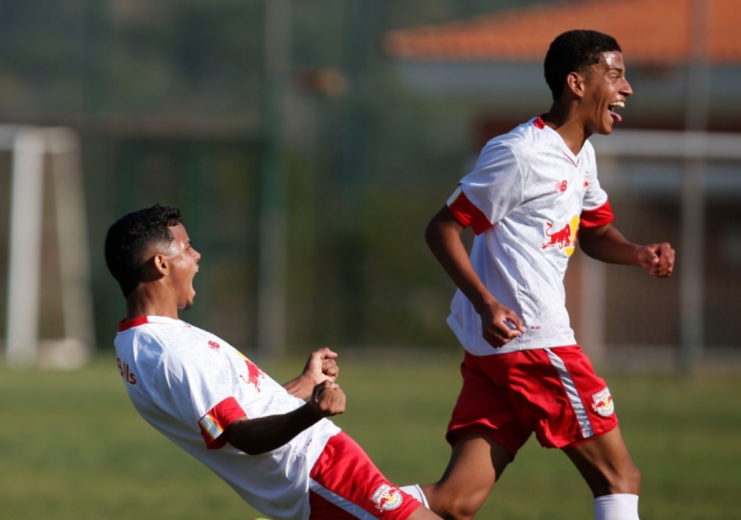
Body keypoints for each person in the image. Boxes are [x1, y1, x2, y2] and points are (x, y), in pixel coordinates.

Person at [416, 30, 675, 520]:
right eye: (616, 75)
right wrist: (485, 302)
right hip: (534, 340)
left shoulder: (582, 155)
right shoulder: (520, 152)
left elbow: (595, 234)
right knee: (620, 478)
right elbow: (443, 228)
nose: (628, 89)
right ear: (577, 83)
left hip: (499, 349)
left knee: (456, 501)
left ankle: (329, 508)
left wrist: (638, 252)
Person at [104, 204, 442, 520]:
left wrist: (304, 384)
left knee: (457, 500)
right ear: (162, 264)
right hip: (315, 470)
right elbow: (243, 436)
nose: (197, 255)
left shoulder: (141, 341)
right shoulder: (170, 352)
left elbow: (246, 411)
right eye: (187, 247)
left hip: (318, 465)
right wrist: (313, 410)